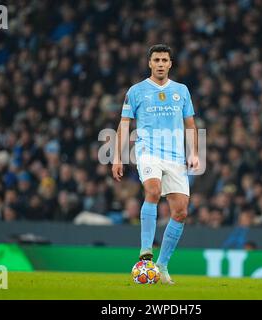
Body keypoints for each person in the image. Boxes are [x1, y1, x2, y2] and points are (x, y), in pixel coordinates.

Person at [112, 44, 199, 284]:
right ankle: (145, 252)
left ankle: (162, 265)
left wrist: (193, 154)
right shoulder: (136, 91)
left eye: (164, 60)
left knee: (180, 211)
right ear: (149, 63)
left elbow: (190, 125)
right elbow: (124, 124)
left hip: (175, 156)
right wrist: (118, 157)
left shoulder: (181, 91)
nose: (160, 64)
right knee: (152, 189)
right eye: (156, 60)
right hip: (148, 151)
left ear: (170, 63)